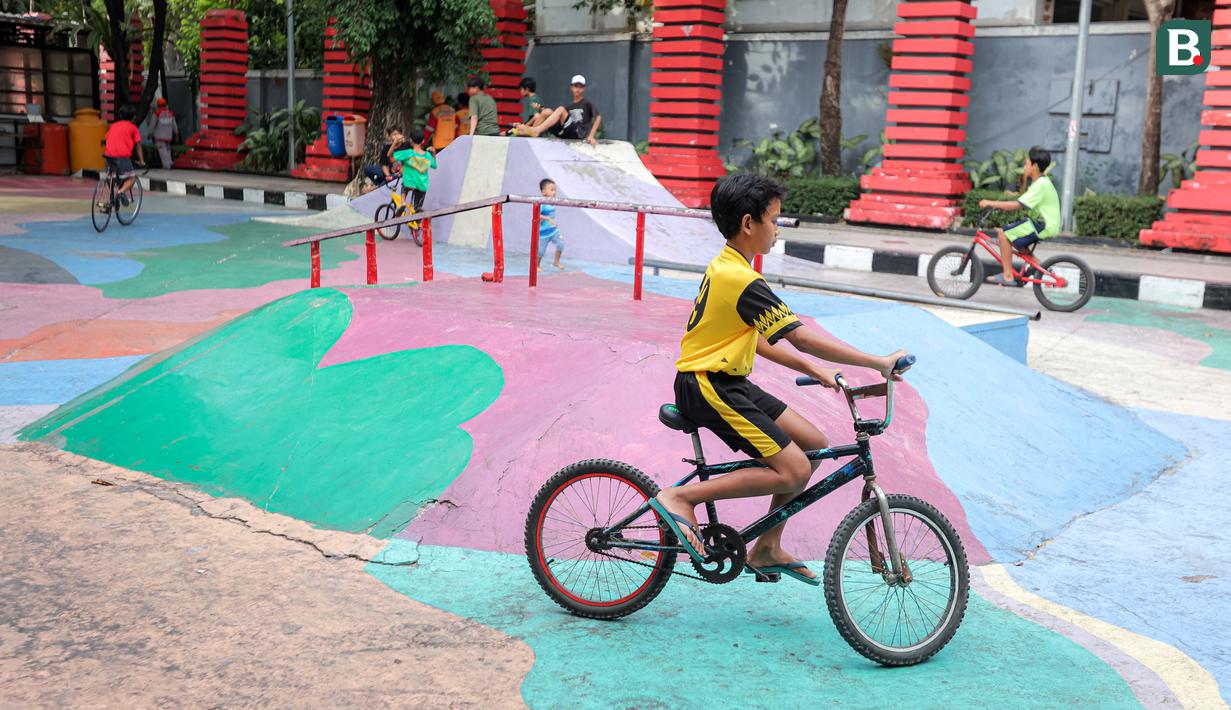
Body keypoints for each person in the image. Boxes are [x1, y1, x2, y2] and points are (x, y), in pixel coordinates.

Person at [650, 173, 907, 583]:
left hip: (724, 381)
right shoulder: (741, 278)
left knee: (814, 445)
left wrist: (812, 370)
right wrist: (876, 362)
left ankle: (767, 546)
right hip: (706, 385)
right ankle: (680, 498)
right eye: (774, 221)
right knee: (793, 471)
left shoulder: (729, 266)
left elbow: (754, 338)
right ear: (749, 223)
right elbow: (801, 337)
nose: (777, 231)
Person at [978, 146, 1061, 286]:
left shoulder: (1041, 184)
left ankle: (1008, 276)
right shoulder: (1041, 183)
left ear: (1034, 166)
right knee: (1019, 245)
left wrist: (991, 203)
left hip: (1042, 225)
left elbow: (1018, 205)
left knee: (1004, 234)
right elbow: (1024, 200)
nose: (1024, 166)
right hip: (1041, 224)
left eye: (1027, 163)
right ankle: (1046, 271)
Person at [514, 74, 601, 147]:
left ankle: (536, 130)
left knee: (560, 109)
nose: (578, 89)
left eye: (580, 87)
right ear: (571, 87)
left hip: (577, 134)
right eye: (575, 86)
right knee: (547, 111)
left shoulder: (586, 103)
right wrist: (541, 108)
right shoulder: (569, 105)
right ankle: (531, 132)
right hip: (565, 131)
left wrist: (591, 136)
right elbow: (555, 116)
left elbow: (598, 118)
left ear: (584, 88)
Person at [101, 103, 144, 209]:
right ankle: (120, 192)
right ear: (133, 116)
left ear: (120, 115)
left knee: (110, 179)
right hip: (121, 157)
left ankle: (106, 203)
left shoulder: (113, 126)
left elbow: (107, 139)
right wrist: (142, 161)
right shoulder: (133, 128)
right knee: (132, 178)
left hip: (108, 157)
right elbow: (138, 146)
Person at [391, 129, 437, 225]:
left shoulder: (408, 153)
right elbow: (434, 165)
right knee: (417, 207)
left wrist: (394, 144)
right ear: (423, 141)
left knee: (404, 186)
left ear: (411, 140)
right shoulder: (427, 155)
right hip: (422, 185)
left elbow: (391, 157)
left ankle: (403, 203)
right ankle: (418, 214)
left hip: (410, 183)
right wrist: (434, 153)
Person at [361, 127, 404, 194]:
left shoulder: (406, 146)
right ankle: (380, 184)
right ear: (390, 137)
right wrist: (388, 175)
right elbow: (383, 164)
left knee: (392, 179)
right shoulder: (387, 148)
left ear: (402, 135)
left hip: (400, 174)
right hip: (388, 172)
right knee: (368, 168)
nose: (396, 137)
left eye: (398, 134)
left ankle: (373, 189)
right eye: (394, 135)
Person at [537, 178, 564, 270]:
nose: (554, 192)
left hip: (553, 230)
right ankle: (537, 265)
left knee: (561, 244)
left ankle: (556, 262)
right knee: (541, 251)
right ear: (544, 192)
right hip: (543, 233)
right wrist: (547, 218)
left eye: (555, 190)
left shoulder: (552, 202)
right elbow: (537, 215)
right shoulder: (542, 203)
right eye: (552, 190)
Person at [148, 97, 178, 169]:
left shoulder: (157, 113)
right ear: (165, 105)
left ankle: (166, 166)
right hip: (168, 136)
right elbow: (175, 125)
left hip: (159, 137)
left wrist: (150, 134)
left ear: (158, 105)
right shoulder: (170, 113)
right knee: (168, 150)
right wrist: (176, 135)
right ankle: (170, 163)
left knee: (162, 152)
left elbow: (152, 125)